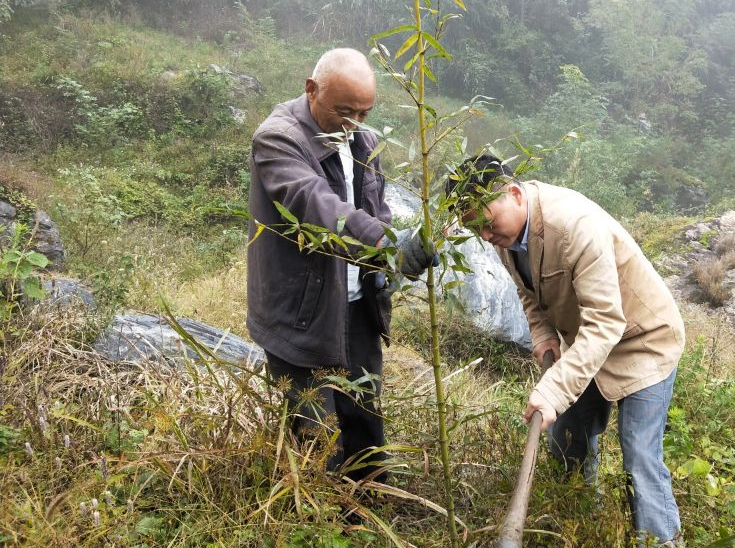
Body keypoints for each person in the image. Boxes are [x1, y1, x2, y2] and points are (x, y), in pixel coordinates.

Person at [447, 154, 686, 546]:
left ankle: (660, 542)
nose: (486, 237)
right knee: (568, 443)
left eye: (488, 226)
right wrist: (543, 338)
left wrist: (554, 391)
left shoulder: (575, 226)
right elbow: (529, 295)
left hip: (642, 340)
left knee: (640, 456)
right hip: (586, 343)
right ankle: (579, 521)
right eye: (476, 230)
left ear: (513, 193)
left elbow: (607, 322)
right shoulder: (503, 233)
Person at [247, 47, 433, 481]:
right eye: (344, 111)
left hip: (356, 310)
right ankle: (320, 524)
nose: (353, 124)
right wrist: (387, 244)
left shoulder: (363, 141)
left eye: (364, 113)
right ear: (312, 90)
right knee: (316, 436)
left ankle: (367, 512)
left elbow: (375, 206)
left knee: (365, 419)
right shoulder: (278, 138)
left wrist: (386, 264)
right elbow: (319, 208)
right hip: (301, 314)